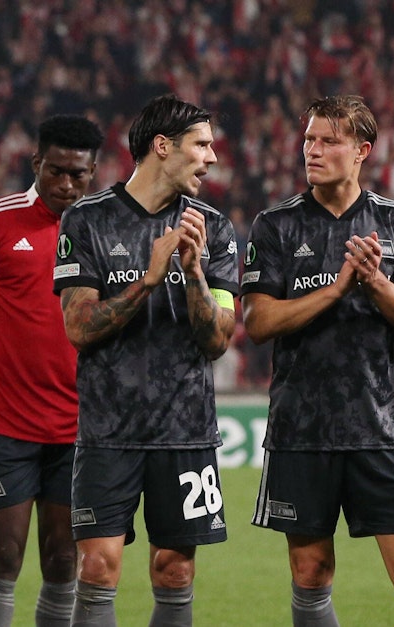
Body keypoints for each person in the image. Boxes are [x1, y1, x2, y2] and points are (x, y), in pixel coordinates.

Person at [240, 96, 394, 626]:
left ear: (362, 151)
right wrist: (334, 291)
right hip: (301, 431)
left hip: (383, 430)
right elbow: (258, 323)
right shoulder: (275, 225)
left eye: (329, 140)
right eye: (309, 139)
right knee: (310, 574)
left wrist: (375, 283)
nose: (313, 149)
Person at [52, 94, 239, 627]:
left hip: (186, 433)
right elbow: (79, 328)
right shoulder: (86, 221)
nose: (212, 158)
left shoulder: (214, 230)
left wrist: (195, 274)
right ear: (163, 147)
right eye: (202, 145)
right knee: (98, 567)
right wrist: (149, 280)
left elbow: (219, 338)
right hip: (108, 433)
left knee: (175, 570)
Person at [0, 114, 104, 627]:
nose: (65, 184)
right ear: (36, 162)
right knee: (4, 558)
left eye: (77, 175)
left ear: (93, 172)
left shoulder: (107, 229)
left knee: (63, 561)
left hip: (78, 429)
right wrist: (1, 373)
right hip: (5, 425)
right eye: (55, 170)